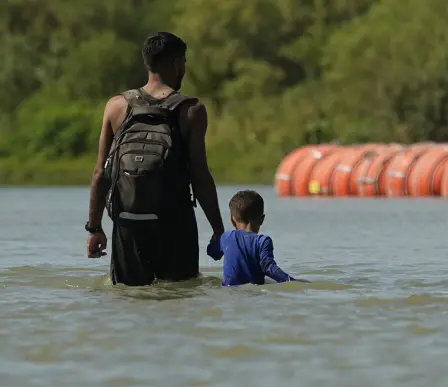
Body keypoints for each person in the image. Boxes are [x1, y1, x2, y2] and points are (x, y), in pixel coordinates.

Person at [85, 31, 225, 286]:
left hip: (127, 223)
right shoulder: (191, 110)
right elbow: (200, 175)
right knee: (180, 292)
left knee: (129, 295)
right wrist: (218, 229)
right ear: (176, 63)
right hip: (175, 223)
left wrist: (94, 228)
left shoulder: (116, 106)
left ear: (147, 63)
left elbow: (100, 173)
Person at [207, 190, 304, 286]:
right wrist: (293, 282)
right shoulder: (262, 241)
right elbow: (268, 267)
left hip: (229, 293)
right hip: (254, 294)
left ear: (232, 219)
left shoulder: (226, 237)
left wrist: (215, 239)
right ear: (262, 219)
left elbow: (213, 253)